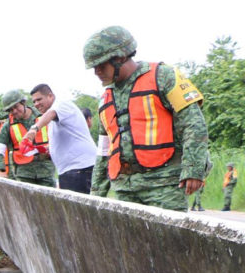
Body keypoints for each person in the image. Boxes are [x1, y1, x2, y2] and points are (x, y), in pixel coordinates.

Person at [83, 26, 209, 210]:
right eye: (94, 67)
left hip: (163, 185)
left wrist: (194, 169)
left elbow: (193, 125)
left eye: (101, 65)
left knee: (168, 238)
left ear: (119, 57)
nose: (96, 72)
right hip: (125, 188)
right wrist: (96, 193)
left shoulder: (163, 76)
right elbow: (104, 151)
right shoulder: (106, 98)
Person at [23, 83, 97, 193]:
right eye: (34, 102)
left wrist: (34, 129)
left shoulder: (61, 105)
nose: (36, 104)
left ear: (50, 96)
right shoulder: (53, 119)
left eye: (39, 99)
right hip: (69, 171)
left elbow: (51, 113)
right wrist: (49, 149)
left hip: (80, 168)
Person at [0, 89, 56, 187]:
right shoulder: (8, 125)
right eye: (10, 110)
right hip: (23, 174)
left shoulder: (43, 116)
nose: (14, 111)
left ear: (24, 103)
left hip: (46, 171)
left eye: (16, 107)